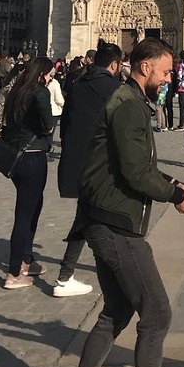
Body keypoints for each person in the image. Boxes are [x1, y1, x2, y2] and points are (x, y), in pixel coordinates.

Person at [63, 38, 184, 367]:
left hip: (105, 216)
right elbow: (136, 173)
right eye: (166, 71)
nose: (171, 78)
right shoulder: (128, 105)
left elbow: (134, 164)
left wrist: (171, 182)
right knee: (157, 316)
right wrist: (175, 196)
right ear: (144, 67)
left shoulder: (130, 100)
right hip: (116, 221)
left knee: (117, 311)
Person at [55, 39, 122, 298]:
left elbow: (66, 125)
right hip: (102, 163)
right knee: (99, 216)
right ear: (115, 65)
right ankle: (66, 276)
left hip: (76, 162)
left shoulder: (77, 84)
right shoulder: (115, 89)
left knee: (90, 215)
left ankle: (69, 274)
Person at [0, 57, 56, 289]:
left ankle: (26, 259)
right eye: (50, 74)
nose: (51, 77)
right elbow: (48, 124)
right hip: (32, 157)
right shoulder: (39, 93)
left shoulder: (17, 92)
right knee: (25, 214)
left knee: (32, 208)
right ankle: (14, 272)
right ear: (41, 74)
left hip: (16, 158)